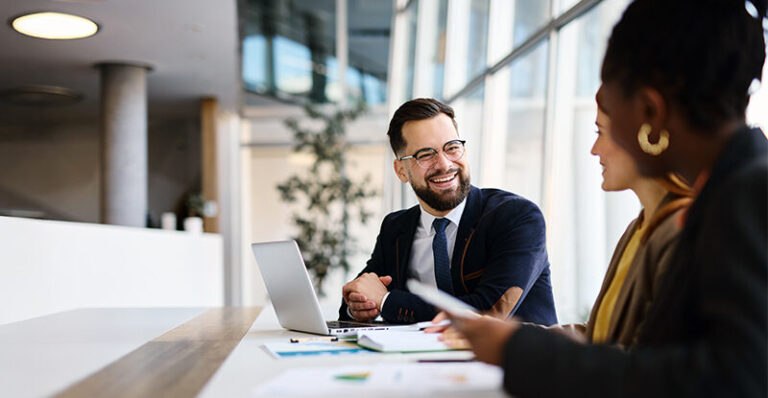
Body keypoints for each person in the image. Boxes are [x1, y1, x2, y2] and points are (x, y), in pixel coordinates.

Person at [444, 0, 768, 396]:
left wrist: (521, 352)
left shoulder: (744, 197)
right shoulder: (728, 191)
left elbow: (727, 379)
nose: (604, 144)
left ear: (651, 110)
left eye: (613, 117)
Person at [339, 98, 557, 325]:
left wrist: (387, 301)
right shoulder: (396, 228)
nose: (444, 164)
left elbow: (490, 313)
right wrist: (360, 306)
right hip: (417, 358)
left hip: (511, 359)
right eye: (425, 154)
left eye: (452, 147)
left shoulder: (516, 217)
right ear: (401, 171)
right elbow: (360, 291)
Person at [580, 103, 692, 345]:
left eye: (600, 133)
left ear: (645, 136)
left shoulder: (681, 234)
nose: (593, 150)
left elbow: (645, 361)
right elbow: (603, 336)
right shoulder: (637, 228)